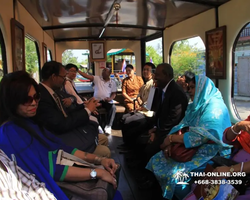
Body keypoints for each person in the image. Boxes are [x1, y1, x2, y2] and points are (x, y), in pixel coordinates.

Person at [0, 71, 119, 200]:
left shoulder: (30, 123)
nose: (34, 103)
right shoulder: (11, 134)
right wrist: (97, 173)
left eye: (36, 97)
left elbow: (61, 148)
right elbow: (52, 169)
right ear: (11, 101)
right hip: (51, 187)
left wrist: (99, 160)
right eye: (26, 100)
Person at [146, 75, 232, 200]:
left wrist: (171, 140)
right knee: (158, 159)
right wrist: (171, 141)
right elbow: (182, 124)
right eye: (189, 87)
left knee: (175, 176)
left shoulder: (214, 107)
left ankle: (188, 196)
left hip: (213, 151)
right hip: (195, 146)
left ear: (203, 88)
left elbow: (200, 136)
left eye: (193, 87)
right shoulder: (198, 105)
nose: (189, 91)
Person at [37, 61, 110, 157]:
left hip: (67, 132)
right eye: (63, 77)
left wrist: (84, 106)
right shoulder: (42, 97)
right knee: (105, 151)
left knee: (104, 138)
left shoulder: (54, 92)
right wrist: (87, 111)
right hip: (60, 140)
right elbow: (61, 124)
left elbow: (67, 110)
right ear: (54, 77)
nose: (64, 80)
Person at [120, 62, 156, 146]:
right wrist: (137, 101)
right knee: (123, 117)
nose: (145, 71)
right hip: (141, 107)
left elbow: (150, 102)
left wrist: (141, 107)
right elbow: (139, 96)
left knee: (128, 121)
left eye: (147, 70)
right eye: (144, 70)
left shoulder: (153, 84)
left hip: (148, 112)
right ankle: (126, 144)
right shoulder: (145, 84)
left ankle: (130, 145)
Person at [77, 67, 117, 135]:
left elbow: (114, 94)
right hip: (96, 100)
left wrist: (110, 99)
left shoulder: (112, 82)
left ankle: (108, 126)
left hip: (106, 100)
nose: (103, 72)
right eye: (103, 70)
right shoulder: (97, 78)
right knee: (93, 109)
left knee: (113, 108)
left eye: (106, 71)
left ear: (110, 73)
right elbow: (86, 76)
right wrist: (78, 70)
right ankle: (98, 126)